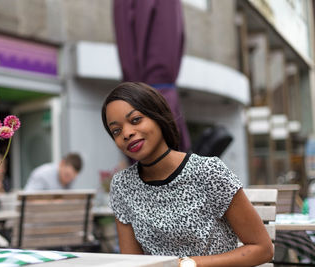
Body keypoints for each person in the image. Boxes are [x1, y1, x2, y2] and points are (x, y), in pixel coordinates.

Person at [101, 82, 273, 267]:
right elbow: (132, 263)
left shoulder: (208, 172)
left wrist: (188, 264)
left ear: (158, 117)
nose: (126, 133)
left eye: (135, 120)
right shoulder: (122, 185)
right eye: (116, 130)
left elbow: (262, 249)